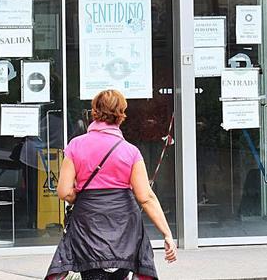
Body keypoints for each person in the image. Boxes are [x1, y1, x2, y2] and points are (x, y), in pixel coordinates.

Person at [46, 89, 176, 280]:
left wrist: (80, 197)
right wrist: (167, 234)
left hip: (87, 223)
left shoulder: (75, 145)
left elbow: (64, 191)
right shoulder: (130, 152)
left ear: (94, 112)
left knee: (91, 272)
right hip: (124, 227)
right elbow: (145, 197)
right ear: (121, 113)